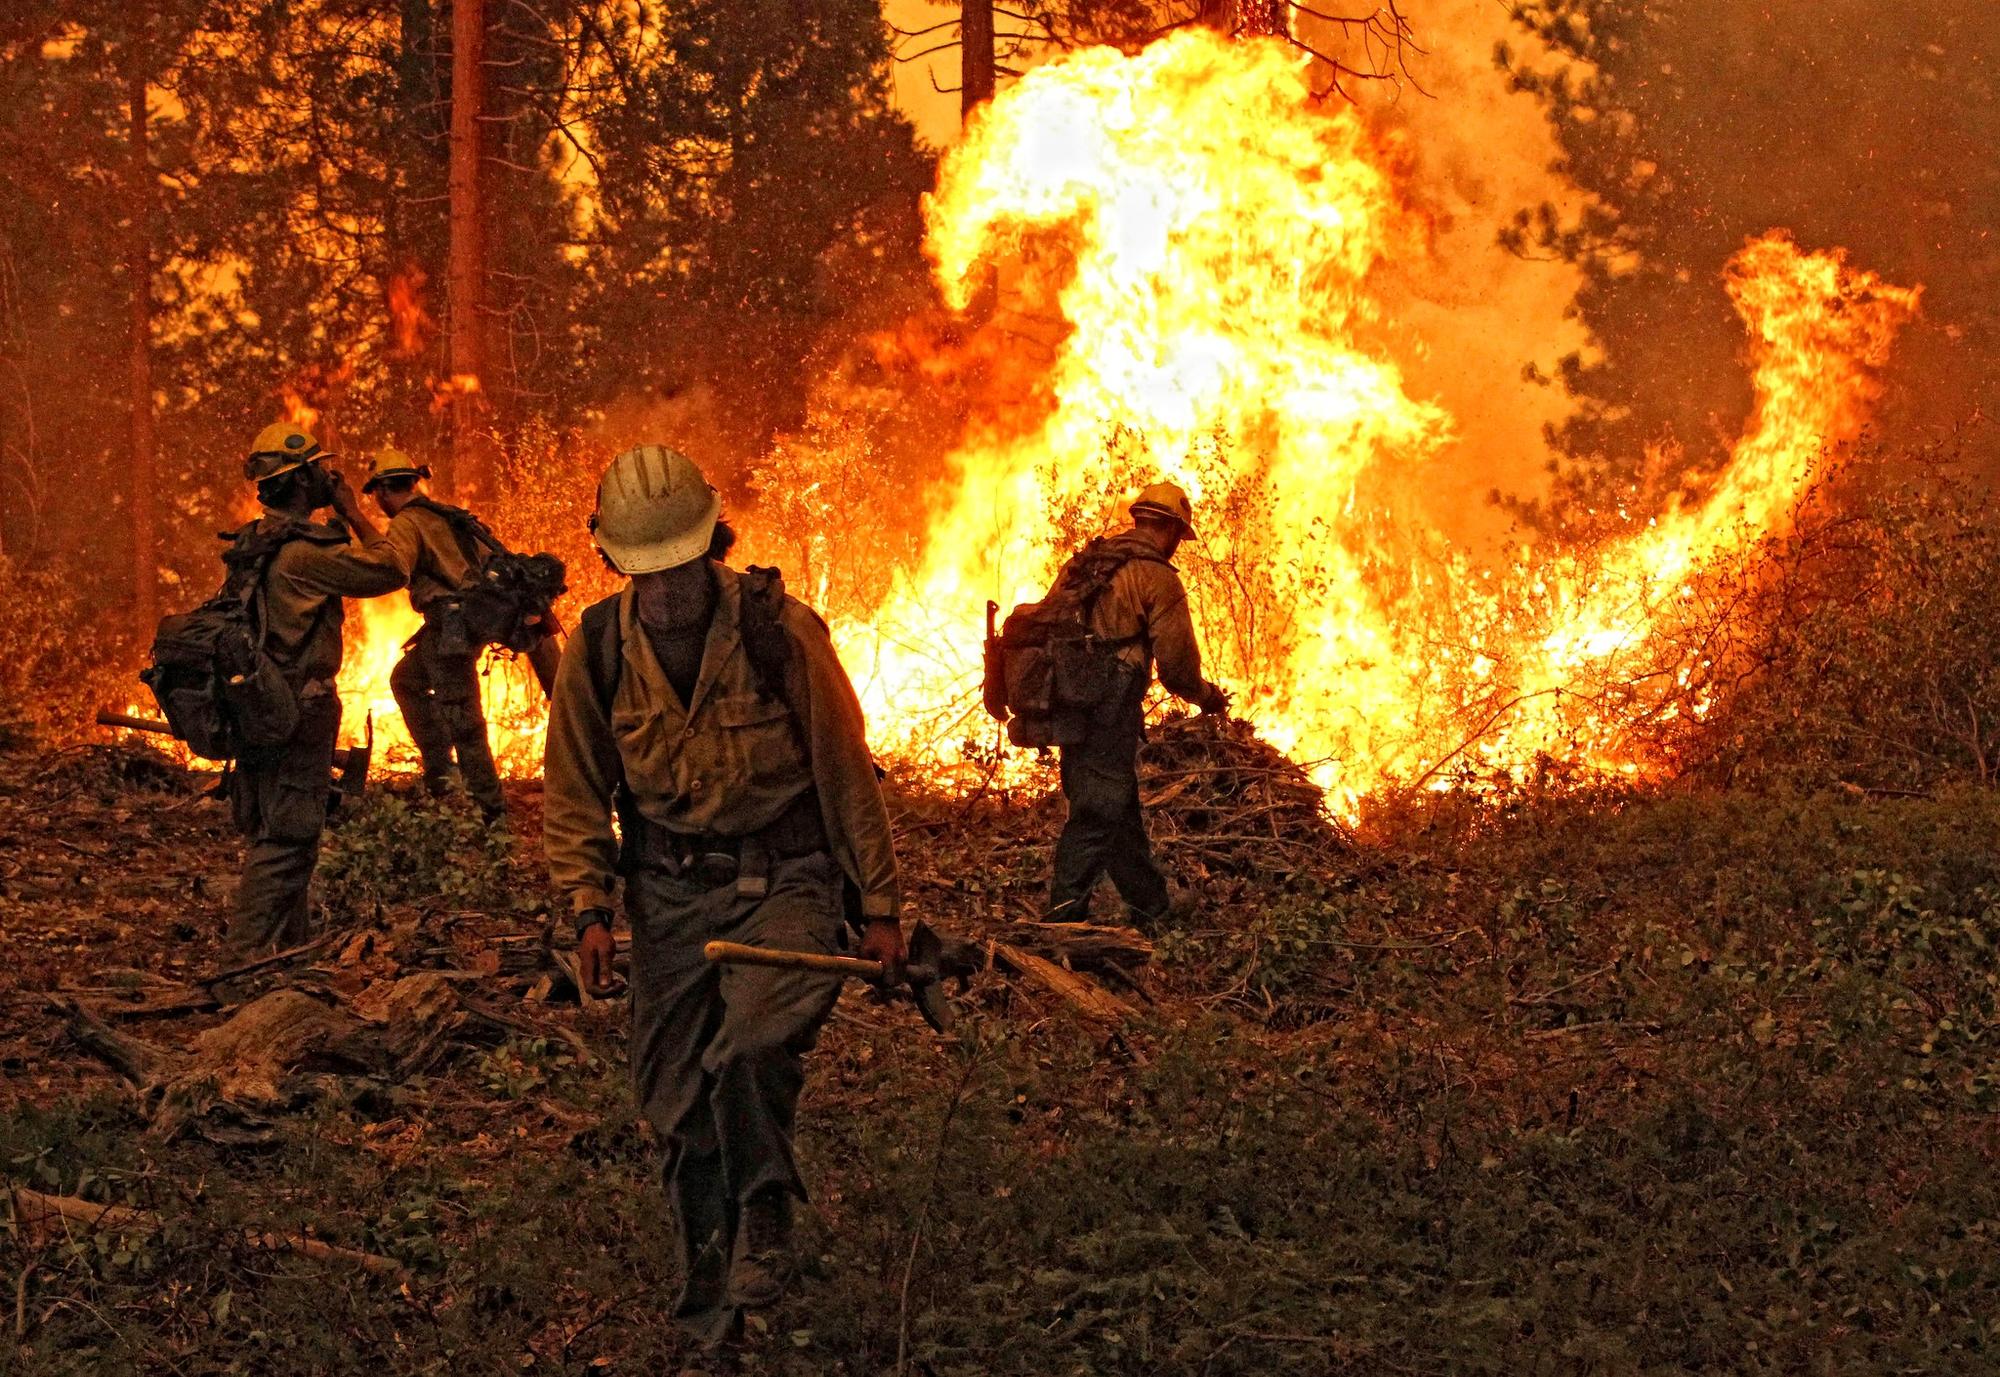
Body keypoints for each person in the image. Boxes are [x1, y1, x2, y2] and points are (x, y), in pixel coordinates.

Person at [542, 444, 904, 1342]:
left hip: (788, 878)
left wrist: (883, 907)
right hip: (666, 894)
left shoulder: (780, 631)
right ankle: (711, 1298)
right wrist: (590, 908)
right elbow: (576, 791)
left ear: (713, 544)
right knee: (674, 1101)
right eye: (645, 570)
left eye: (681, 565)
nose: (665, 588)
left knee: (750, 1044)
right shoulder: (593, 649)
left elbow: (845, 770)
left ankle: (766, 1208)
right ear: (614, 560)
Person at [227, 424, 405, 949]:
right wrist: (351, 509)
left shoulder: (255, 542)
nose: (329, 476)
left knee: (286, 832)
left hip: (262, 703)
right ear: (302, 480)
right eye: (319, 471)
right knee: (287, 838)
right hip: (297, 708)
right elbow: (391, 569)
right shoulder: (303, 553)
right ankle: (239, 966)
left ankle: (286, 954)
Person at [1047, 480, 1229, 929]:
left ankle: (1152, 908)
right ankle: (1061, 921)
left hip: (1067, 703)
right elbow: (1177, 668)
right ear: (1169, 530)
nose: (1176, 549)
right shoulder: (1156, 577)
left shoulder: (1084, 564)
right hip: (1108, 709)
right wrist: (1207, 697)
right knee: (1096, 812)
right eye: (1178, 539)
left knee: (1117, 807)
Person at [357, 449, 521, 817]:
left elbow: (392, 568)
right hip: (468, 621)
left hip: (452, 628)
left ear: (382, 489)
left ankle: (490, 810)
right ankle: (441, 772)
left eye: (375, 495)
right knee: (406, 680)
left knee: (464, 718)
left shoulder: (407, 522)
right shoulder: (447, 515)